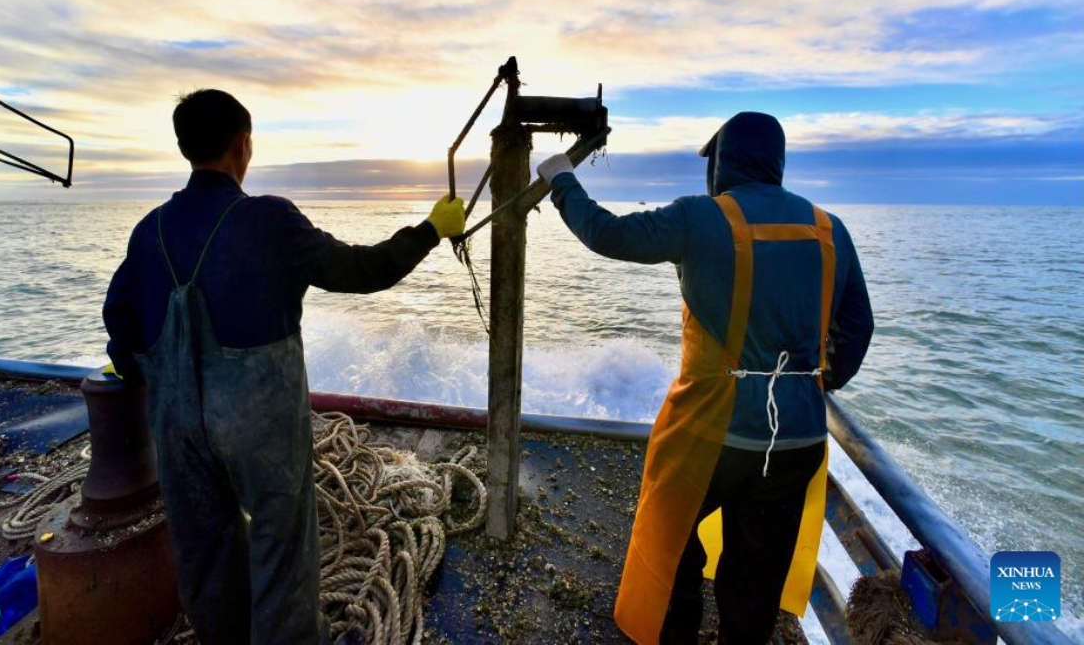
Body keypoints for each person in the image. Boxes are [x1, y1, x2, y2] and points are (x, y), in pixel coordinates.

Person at [102, 89, 465, 644]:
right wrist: (430, 230)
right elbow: (360, 270)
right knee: (281, 539)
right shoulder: (269, 218)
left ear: (183, 147)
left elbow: (119, 322)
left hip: (175, 425)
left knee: (204, 545)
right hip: (259, 423)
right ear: (242, 145)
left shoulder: (148, 229)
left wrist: (145, 378)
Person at [536, 112, 873, 644]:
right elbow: (857, 329)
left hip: (714, 435)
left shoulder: (700, 218)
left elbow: (606, 233)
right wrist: (817, 383)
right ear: (777, 162)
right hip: (798, 438)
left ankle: (677, 628)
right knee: (756, 576)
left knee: (671, 541)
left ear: (722, 163)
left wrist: (561, 179)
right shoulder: (831, 230)